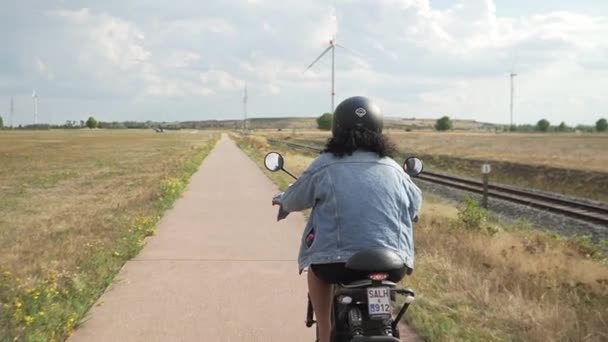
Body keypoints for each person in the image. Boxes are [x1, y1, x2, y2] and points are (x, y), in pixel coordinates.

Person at [272, 96, 422, 342]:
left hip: (336, 263)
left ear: (336, 129)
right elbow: (415, 206)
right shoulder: (394, 168)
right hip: (393, 265)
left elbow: (295, 198)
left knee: (317, 271)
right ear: (379, 130)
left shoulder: (325, 165)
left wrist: (283, 201)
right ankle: (382, 320)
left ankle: (324, 330)